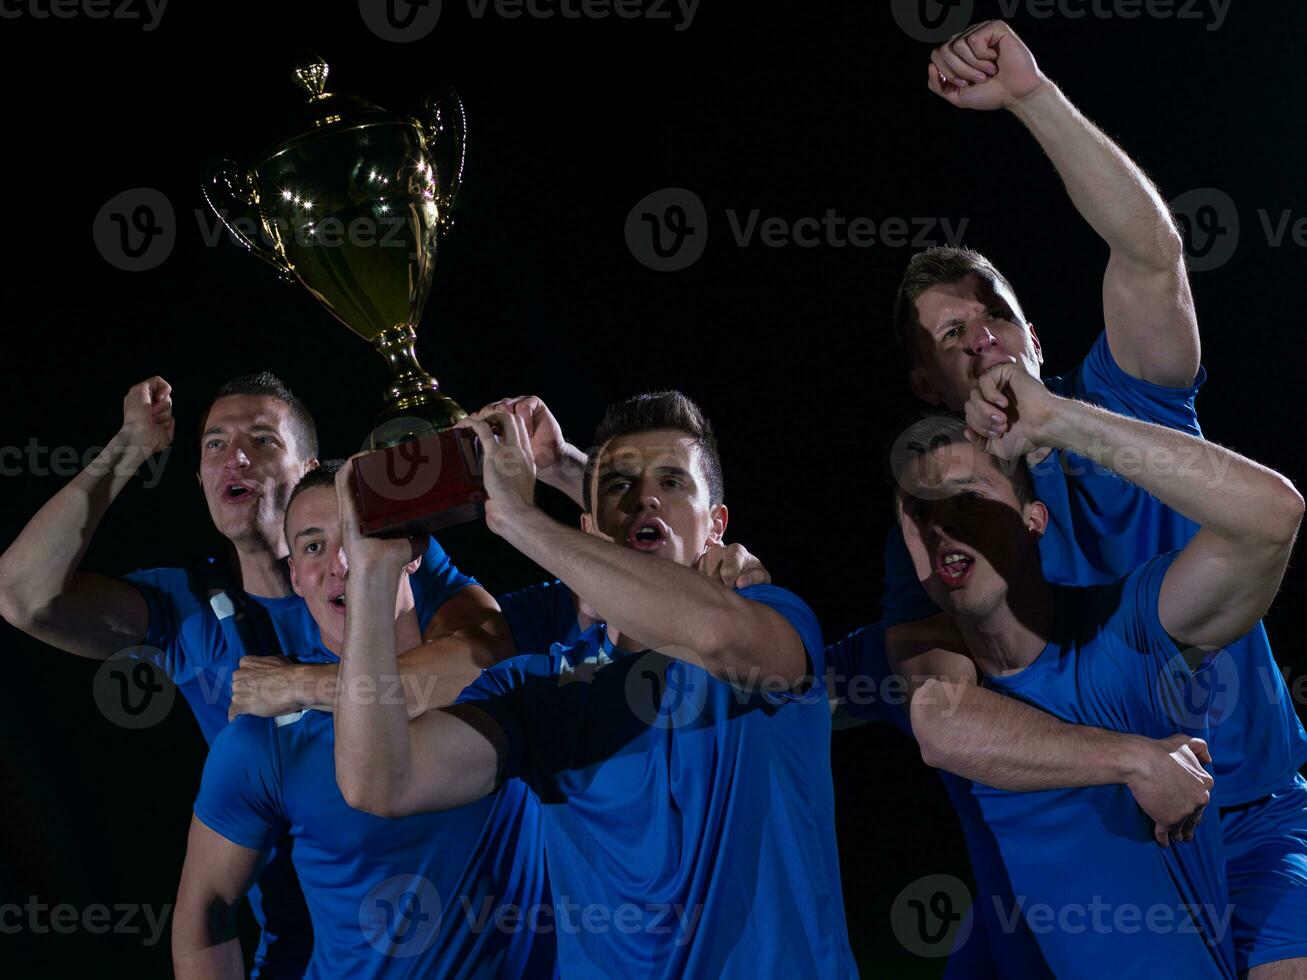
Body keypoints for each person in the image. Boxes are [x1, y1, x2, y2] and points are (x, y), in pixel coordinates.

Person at [832, 20, 1307, 976]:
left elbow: (1151, 254)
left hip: (1257, 814)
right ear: (928, 387)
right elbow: (939, 702)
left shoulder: (1124, 402)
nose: (982, 342)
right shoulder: (938, 528)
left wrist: (1030, 97)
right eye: (951, 335)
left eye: (992, 316)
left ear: (1033, 331)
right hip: (1105, 830)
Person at [331, 391, 859, 978]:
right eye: (618, 486)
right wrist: (372, 578)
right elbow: (380, 781)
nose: (645, 498)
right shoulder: (534, 688)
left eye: (674, 482)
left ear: (718, 526)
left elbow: (713, 631)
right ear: (588, 526)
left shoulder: (771, 616)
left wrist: (520, 518)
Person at [0, 372, 498, 976]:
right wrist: (130, 446)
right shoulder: (186, 604)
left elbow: (491, 660)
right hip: (304, 952)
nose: (234, 457)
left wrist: (299, 687)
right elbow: (22, 596)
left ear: (311, 467)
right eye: (213, 445)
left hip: (456, 926)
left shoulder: (390, 556)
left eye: (262, 440)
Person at [893, 374, 1302, 976]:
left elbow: (1272, 518)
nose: (942, 524)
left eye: (969, 498)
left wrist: (1060, 420)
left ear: (1034, 519)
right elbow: (931, 720)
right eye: (919, 511)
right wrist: (1135, 760)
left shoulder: (1126, 629)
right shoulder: (904, 656)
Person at [171, 461, 554, 978]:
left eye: (356, 535)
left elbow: (486, 659)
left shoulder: (502, 669)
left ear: (411, 553)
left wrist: (305, 684)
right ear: (296, 579)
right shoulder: (264, 739)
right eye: (312, 546)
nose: (340, 563)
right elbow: (204, 912)